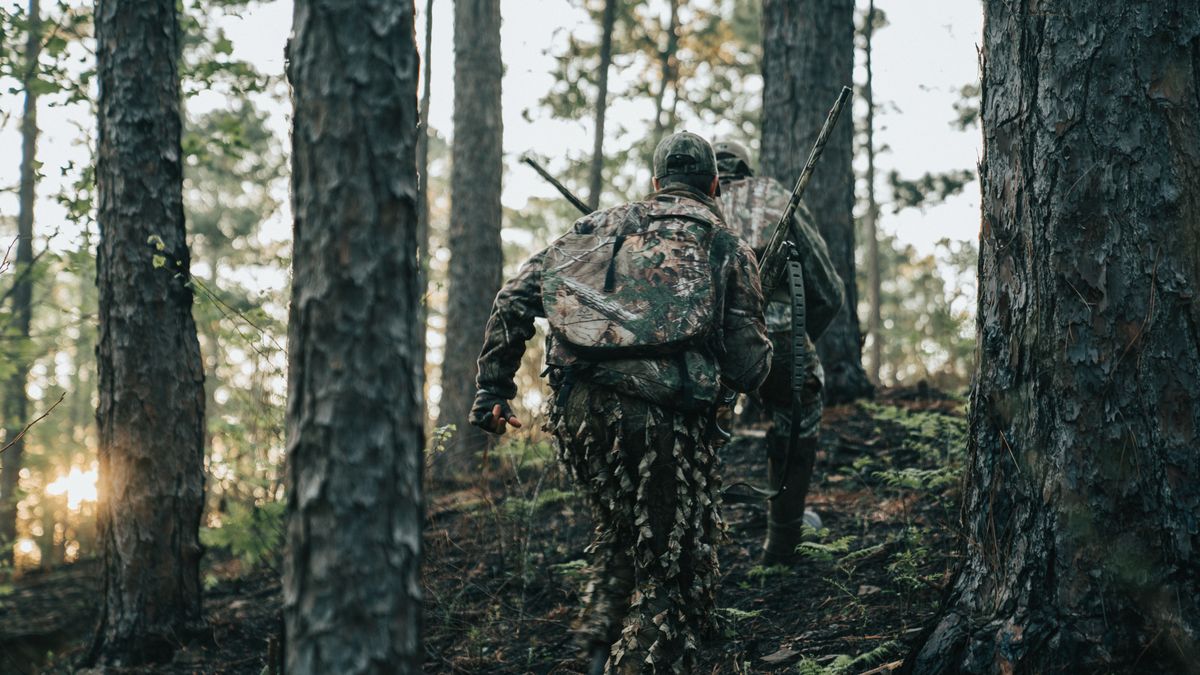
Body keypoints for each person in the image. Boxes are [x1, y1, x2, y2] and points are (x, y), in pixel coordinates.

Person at [469, 131, 772, 674]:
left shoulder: (593, 228)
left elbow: (514, 297)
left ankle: (592, 651)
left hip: (578, 416)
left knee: (622, 534)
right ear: (714, 185)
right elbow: (750, 368)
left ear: (656, 183)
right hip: (666, 429)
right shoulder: (726, 246)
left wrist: (493, 388)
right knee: (672, 574)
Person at [713, 139, 845, 564]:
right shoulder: (772, 197)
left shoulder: (686, 206)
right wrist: (797, 341)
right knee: (797, 416)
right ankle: (782, 541)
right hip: (779, 334)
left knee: (694, 439)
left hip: (701, 343)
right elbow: (826, 288)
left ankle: (692, 548)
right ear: (745, 169)